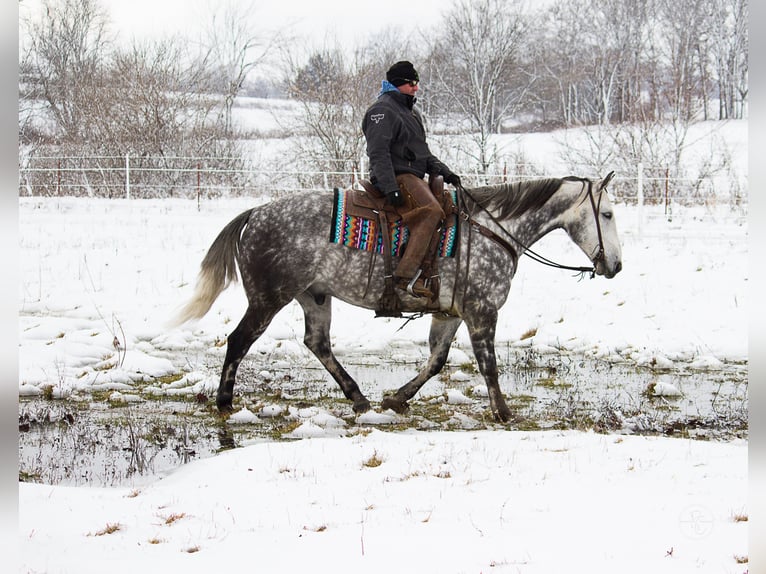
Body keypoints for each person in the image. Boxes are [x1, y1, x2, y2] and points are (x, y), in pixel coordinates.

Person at [362, 60, 462, 299]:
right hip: (397, 175)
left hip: (412, 174)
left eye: (417, 82)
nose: (416, 88)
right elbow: (378, 152)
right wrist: (389, 186)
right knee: (430, 211)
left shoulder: (410, 112)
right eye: (411, 83)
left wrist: (445, 171)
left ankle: (430, 266)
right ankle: (405, 276)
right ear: (398, 84)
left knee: (448, 205)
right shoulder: (382, 111)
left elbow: (422, 153)